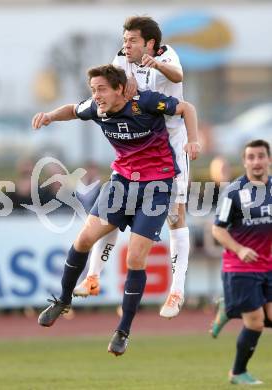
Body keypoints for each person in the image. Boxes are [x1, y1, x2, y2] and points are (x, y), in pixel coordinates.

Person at [32, 64, 198, 356]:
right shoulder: (96, 109)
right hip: (121, 183)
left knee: (135, 258)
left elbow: (186, 108)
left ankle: (123, 331)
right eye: (93, 89)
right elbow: (73, 109)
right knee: (83, 239)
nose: (96, 95)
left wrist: (193, 140)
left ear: (120, 89)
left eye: (102, 89)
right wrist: (49, 116)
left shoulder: (145, 103)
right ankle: (62, 300)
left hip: (156, 185)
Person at [73, 16, 200, 319]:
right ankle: (92, 277)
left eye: (131, 40)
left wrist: (154, 66)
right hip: (137, 141)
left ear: (150, 44)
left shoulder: (166, 56)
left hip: (169, 142)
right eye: (125, 39)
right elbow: (107, 84)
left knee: (175, 215)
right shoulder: (121, 58)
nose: (125, 45)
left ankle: (176, 290)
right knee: (115, 209)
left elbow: (178, 77)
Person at [211, 139, 271, 384]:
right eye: (251, 157)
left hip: (269, 266)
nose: (256, 161)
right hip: (240, 266)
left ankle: (228, 308)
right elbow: (218, 230)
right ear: (245, 161)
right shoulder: (234, 192)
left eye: (261, 156)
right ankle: (237, 372)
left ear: (268, 159)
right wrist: (239, 248)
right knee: (255, 323)